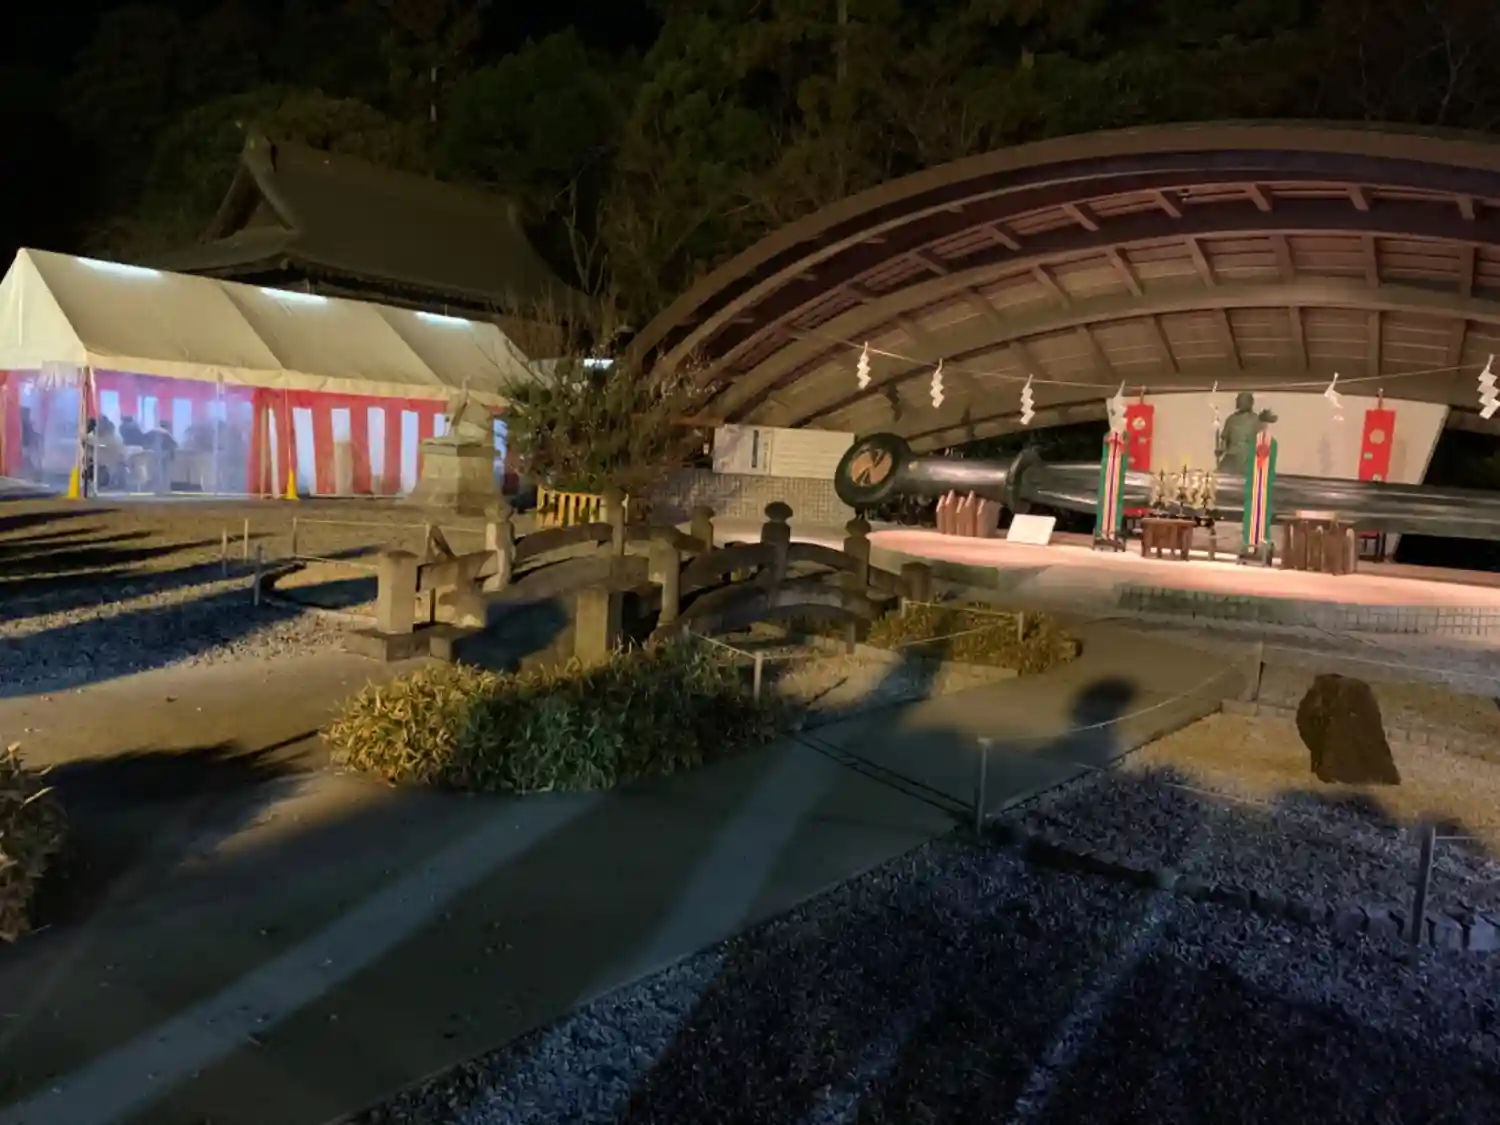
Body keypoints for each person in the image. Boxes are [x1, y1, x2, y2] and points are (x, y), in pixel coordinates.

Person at [1215, 392, 1277, 470]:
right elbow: (1225, 438)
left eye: (1244, 400)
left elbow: (1262, 440)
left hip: (1248, 457)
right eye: (1240, 400)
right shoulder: (1231, 419)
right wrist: (1221, 449)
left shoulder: (1256, 419)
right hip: (1232, 456)